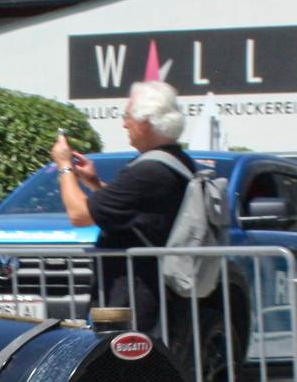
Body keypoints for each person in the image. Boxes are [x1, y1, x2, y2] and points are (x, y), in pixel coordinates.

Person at [49, 80, 196, 340]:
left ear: (146, 122)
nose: (124, 124)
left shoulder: (148, 171)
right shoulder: (178, 162)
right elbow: (133, 207)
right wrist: (94, 183)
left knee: (120, 358)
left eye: (127, 116)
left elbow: (79, 215)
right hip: (157, 293)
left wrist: (64, 166)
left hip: (132, 298)